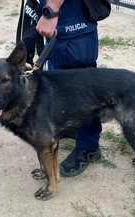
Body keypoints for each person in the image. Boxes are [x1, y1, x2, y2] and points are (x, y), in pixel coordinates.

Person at [36, 0, 102, 177]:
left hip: (71, 17)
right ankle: (76, 128)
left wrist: (51, 10)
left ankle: (89, 147)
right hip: (62, 18)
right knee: (60, 84)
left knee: (81, 90)